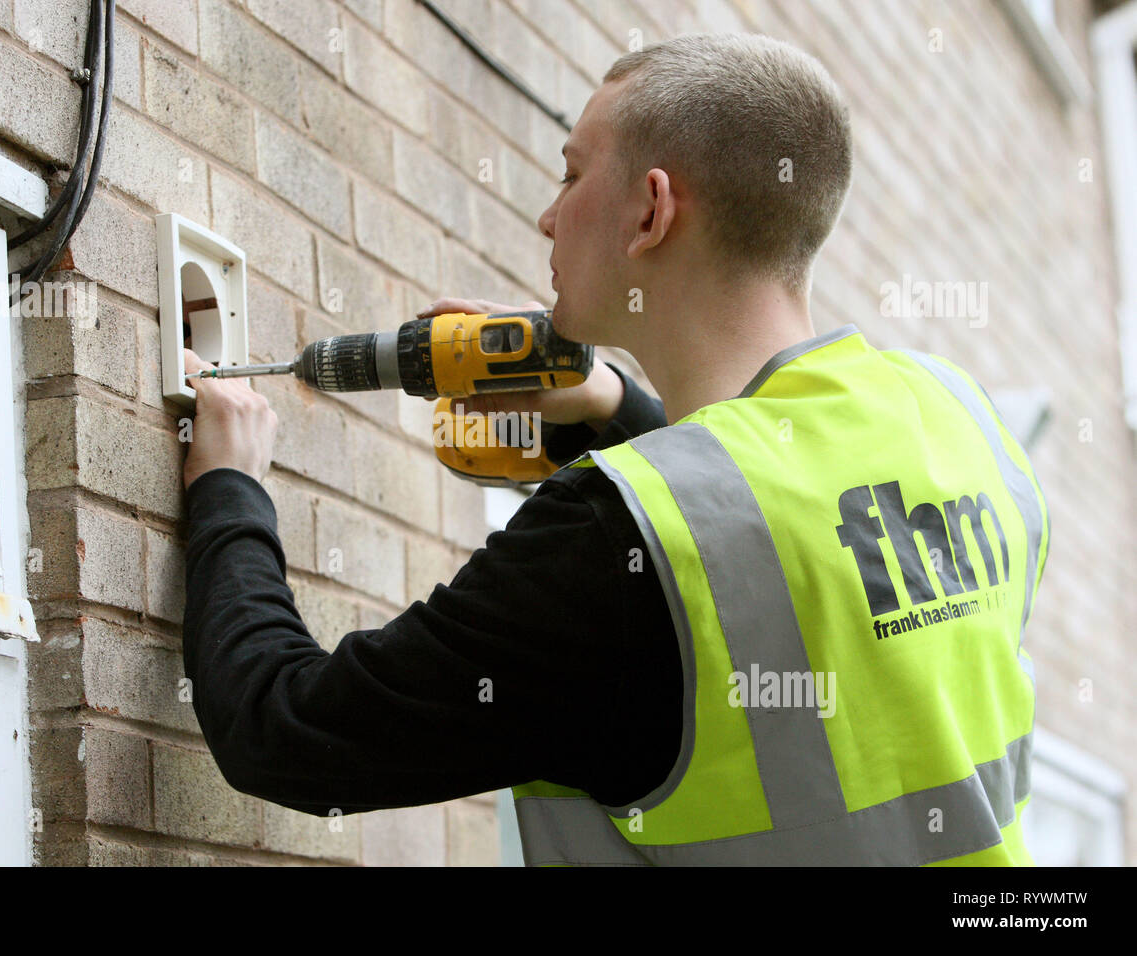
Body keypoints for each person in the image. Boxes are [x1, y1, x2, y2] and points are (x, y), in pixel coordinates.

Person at [179, 33, 1049, 865]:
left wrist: (230, 488)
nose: (550, 215)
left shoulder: (612, 538)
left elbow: (282, 730)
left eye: (572, 173)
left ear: (650, 211)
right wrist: (611, 406)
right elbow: (780, 548)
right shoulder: (961, 421)